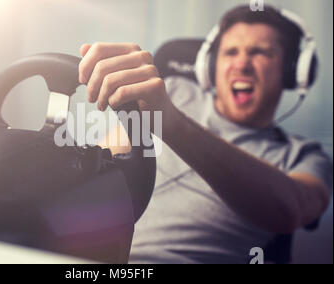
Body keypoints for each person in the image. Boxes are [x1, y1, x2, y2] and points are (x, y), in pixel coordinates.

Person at [78, 5, 332, 263]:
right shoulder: (173, 91)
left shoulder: (304, 155)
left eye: (261, 53)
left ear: (292, 72)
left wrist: (172, 122)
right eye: (230, 52)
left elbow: (291, 211)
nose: (242, 65)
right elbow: (98, 173)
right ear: (210, 67)